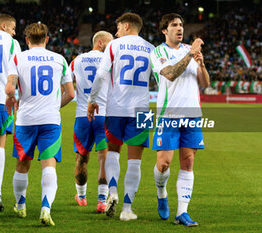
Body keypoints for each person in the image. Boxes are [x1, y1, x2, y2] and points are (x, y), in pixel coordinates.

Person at [5, 23, 75, 226]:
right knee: (49, 164)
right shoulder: (60, 59)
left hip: (25, 120)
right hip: (50, 121)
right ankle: (45, 208)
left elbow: (11, 86)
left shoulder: (18, 58)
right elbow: (70, 93)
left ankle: (20, 206)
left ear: (26, 40)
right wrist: (54, 106)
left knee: (22, 164)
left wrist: (11, 95)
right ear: (46, 39)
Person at [87, 12, 154, 221]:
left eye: (117, 27)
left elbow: (100, 75)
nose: (115, 32)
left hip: (115, 108)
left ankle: (112, 190)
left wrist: (92, 99)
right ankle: (127, 209)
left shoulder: (113, 46)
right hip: (142, 109)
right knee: (135, 162)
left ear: (126, 26)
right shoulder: (151, 49)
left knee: (113, 152)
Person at [150, 13, 209, 226]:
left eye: (181, 24)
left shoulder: (189, 51)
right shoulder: (158, 52)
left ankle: (182, 213)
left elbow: (204, 83)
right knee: (164, 163)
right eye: (174, 25)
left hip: (192, 115)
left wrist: (201, 64)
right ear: (165, 30)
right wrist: (191, 54)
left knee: (188, 161)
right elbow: (171, 74)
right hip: (169, 115)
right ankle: (161, 192)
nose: (179, 28)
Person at [70, 31, 113, 213]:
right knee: (104, 159)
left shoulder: (76, 61)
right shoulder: (110, 62)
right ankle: (102, 201)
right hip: (103, 115)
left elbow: (67, 85)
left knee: (81, 158)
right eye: (110, 43)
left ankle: (81, 196)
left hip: (82, 116)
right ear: (101, 43)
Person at [0, 18, 19, 213]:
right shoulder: (11, 43)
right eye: (13, 28)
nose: (14, 33)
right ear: (3, 26)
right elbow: (16, 74)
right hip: (0, 100)